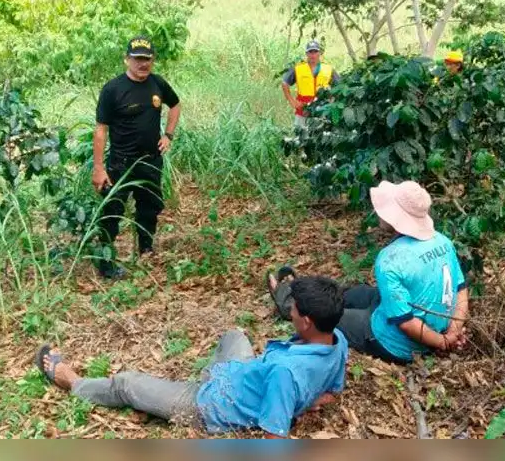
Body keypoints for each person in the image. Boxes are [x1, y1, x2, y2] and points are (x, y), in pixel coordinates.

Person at [35, 276, 348, 439]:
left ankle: (71, 380)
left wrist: (286, 404)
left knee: (127, 385)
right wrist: (304, 401)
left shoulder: (286, 374)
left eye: (293, 309)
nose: (289, 311)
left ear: (306, 320)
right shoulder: (338, 341)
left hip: (210, 404)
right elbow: (332, 393)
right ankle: (206, 376)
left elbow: (272, 438)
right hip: (240, 375)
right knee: (234, 336)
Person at [267, 180, 469, 364]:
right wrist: (453, 331)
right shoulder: (443, 241)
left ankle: (289, 304)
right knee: (352, 292)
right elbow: (461, 289)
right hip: (424, 323)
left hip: (394, 342)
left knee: (325, 316)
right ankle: (308, 293)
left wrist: (442, 342)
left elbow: (407, 323)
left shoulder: (390, 259)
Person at [92, 36, 181, 278]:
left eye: (147, 59)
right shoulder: (112, 90)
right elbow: (101, 129)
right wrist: (99, 168)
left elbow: (175, 105)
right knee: (111, 210)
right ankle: (106, 264)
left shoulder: (158, 84)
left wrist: (169, 135)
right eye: (138, 58)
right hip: (120, 163)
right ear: (126, 59)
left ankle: (146, 250)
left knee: (149, 207)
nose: (143, 64)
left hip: (150, 160)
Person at [281, 40, 340, 128]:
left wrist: (333, 101)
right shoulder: (298, 68)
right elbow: (284, 83)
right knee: (300, 137)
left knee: (320, 137)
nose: (313, 55)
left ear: (319, 53)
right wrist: (292, 101)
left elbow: (340, 86)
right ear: (306, 54)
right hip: (303, 110)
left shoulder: (328, 69)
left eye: (315, 52)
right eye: (310, 52)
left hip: (322, 110)